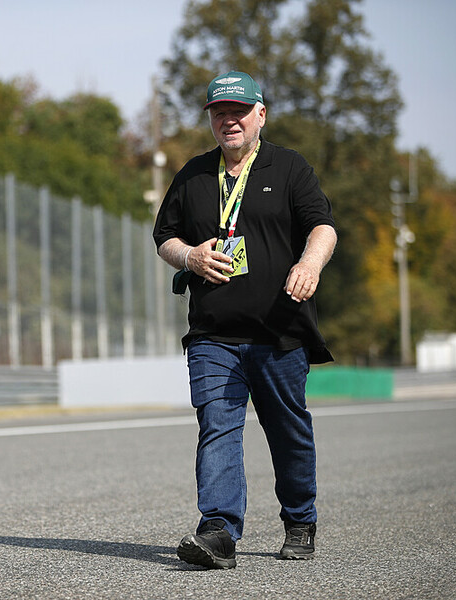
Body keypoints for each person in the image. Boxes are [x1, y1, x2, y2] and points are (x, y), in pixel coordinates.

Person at [153, 71, 337, 569]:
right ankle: (218, 531)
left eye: (238, 111)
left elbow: (323, 226)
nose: (228, 120)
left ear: (260, 114)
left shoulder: (289, 166)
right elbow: (164, 237)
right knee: (217, 425)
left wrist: (309, 264)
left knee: (287, 430)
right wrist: (190, 256)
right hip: (213, 333)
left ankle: (300, 519)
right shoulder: (193, 174)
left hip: (279, 331)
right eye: (219, 112)